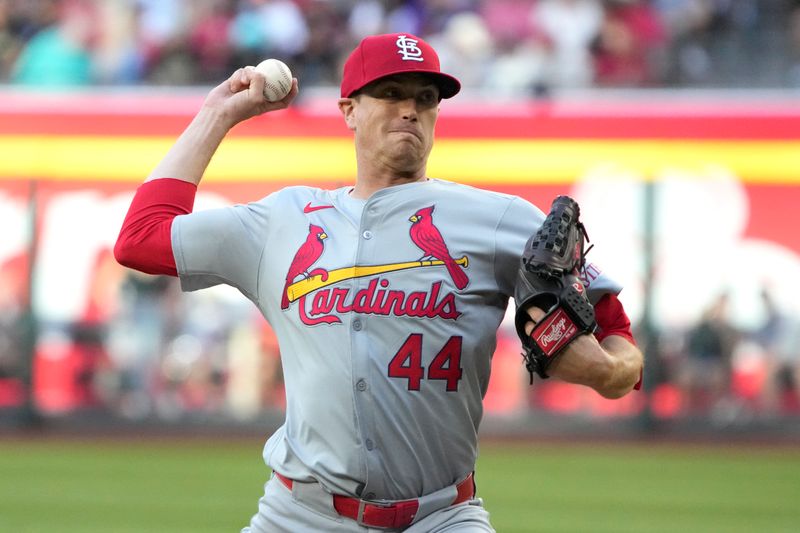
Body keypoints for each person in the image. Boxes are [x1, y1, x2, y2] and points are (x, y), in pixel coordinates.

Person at [115, 32, 643, 532]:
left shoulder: (500, 219)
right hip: (301, 514)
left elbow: (618, 335)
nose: (411, 109)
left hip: (442, 515)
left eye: (426, 97)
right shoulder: (285, 219)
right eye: (390, 94)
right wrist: (218, 114)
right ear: (349, 109)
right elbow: (140, 239)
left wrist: (610, 370)